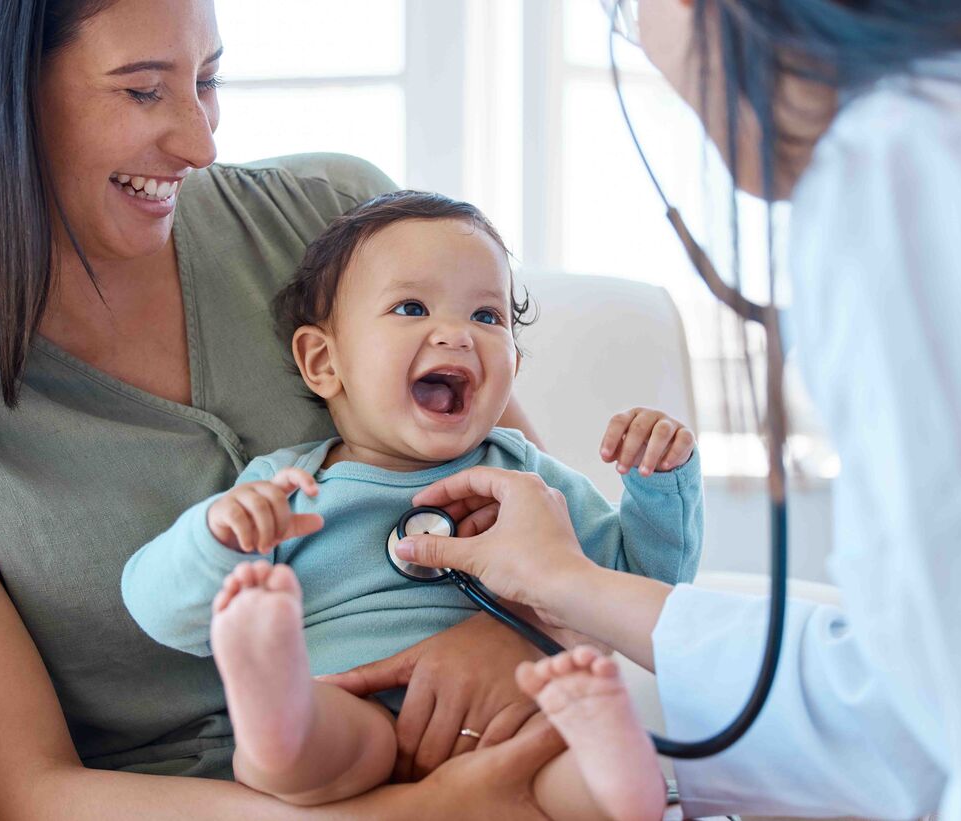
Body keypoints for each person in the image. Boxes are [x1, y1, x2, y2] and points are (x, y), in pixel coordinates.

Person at [382, 1, 961, 819]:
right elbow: (923, 706)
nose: (647, 48)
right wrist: (567, 583)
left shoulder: (921, 171)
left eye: (630, 10)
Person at [0, 1, 575, 817]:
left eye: (208, 79)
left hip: (518, 758)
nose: (202, 144)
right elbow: (31, 790)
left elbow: (550, 524)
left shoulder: (340, 220)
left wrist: (513, 634)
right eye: (143, 92)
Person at [120, 190, 702, 820]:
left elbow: (633, 587)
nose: (456, 333)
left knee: (570, 781)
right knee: (302, 751)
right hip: (350, 705)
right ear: (323, 361)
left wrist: (657, 484)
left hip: (514, 719)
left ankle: (613, 758)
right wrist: (215, 539)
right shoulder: (288, 486)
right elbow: (160, 612)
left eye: (488, 317)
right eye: (411, 307)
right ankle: (273, 696)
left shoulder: (526, 477)